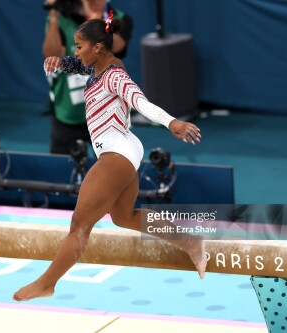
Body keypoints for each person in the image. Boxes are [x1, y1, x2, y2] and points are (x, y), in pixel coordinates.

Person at [13, 16, 206, 302]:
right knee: (123, 217)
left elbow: (140, 102)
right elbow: (74, 64)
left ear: (99, 48)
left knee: (80, 225)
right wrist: (59, 61)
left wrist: (171, 122)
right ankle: (190, 241)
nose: (75, 51)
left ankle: (47, 283)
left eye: (79, 46)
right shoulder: (98, 68)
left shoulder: (115, 75)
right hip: (122, 150)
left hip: (117, 152)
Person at [43, 0, 133, 155]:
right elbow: (52, 54)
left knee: (112, 172)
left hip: (107, 114)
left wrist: (94, 20)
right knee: (64, 169)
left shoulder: (119, 18)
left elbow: (116, 45)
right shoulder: (62, 17)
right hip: (69, 112)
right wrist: (53, 16)